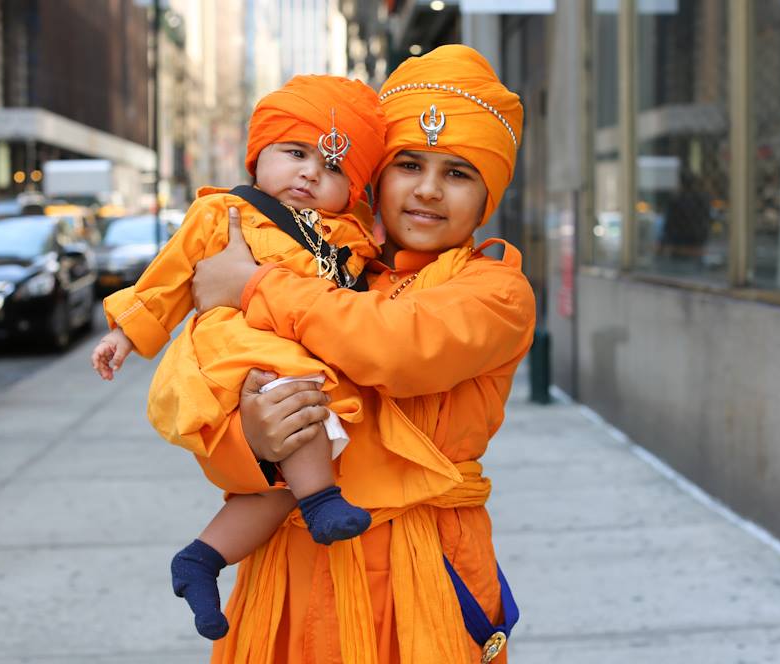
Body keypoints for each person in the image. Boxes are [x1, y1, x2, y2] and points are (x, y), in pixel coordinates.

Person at [183, 44, 536, 663]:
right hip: (290, 575)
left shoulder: (494, 288)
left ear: (489, 196)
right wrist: (256, 444)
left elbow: (395, 345)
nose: (428, 191)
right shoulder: (334, 271)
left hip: (419, 575)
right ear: (376, 176)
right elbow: (216, 411)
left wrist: (253, 286)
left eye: (458, 173)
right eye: (409, 164)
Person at [90, 75, 387, 640]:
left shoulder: (349, 238)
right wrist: (125, 334)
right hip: (238, 351)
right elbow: (170, 279)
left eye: (332, 170)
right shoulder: (226, 213)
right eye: (295, 154)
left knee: (277, 484)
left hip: (295, 362)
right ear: (258, 158)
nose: (309, 174)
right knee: (295, 410)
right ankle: (323, 500)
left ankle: (201, 559)